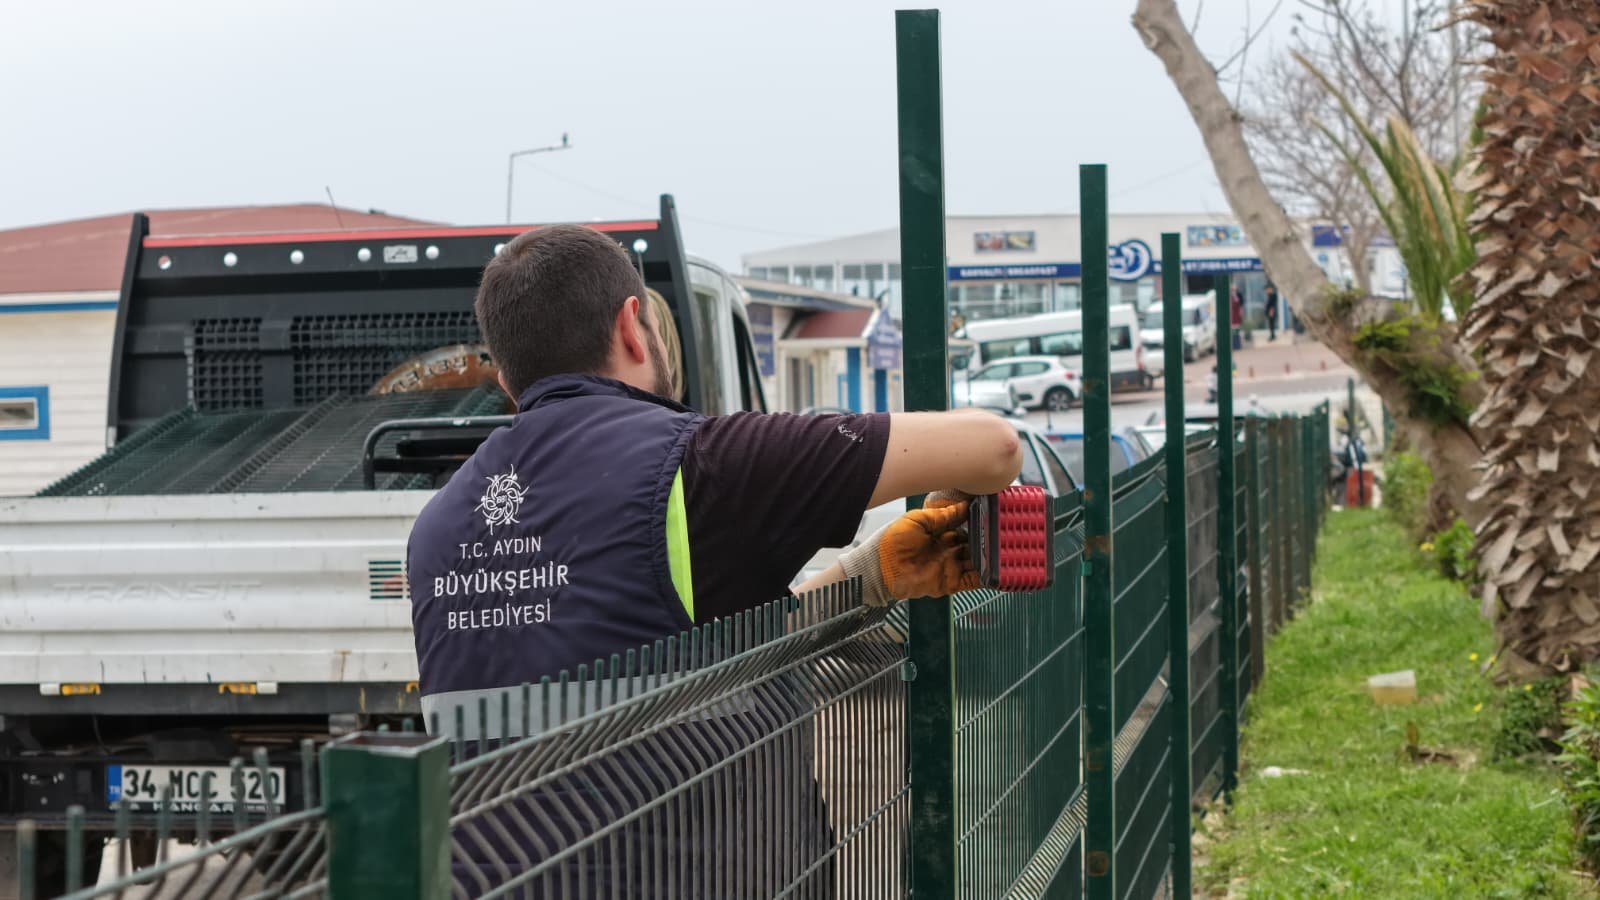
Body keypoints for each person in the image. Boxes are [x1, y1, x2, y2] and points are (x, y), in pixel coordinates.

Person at [406, 224, 1023, 893]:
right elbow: (993, 448)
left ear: (506, 377)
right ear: (634, 325)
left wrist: (862, 577)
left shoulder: (439, 526)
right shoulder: (703, 464)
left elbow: (675, 665)